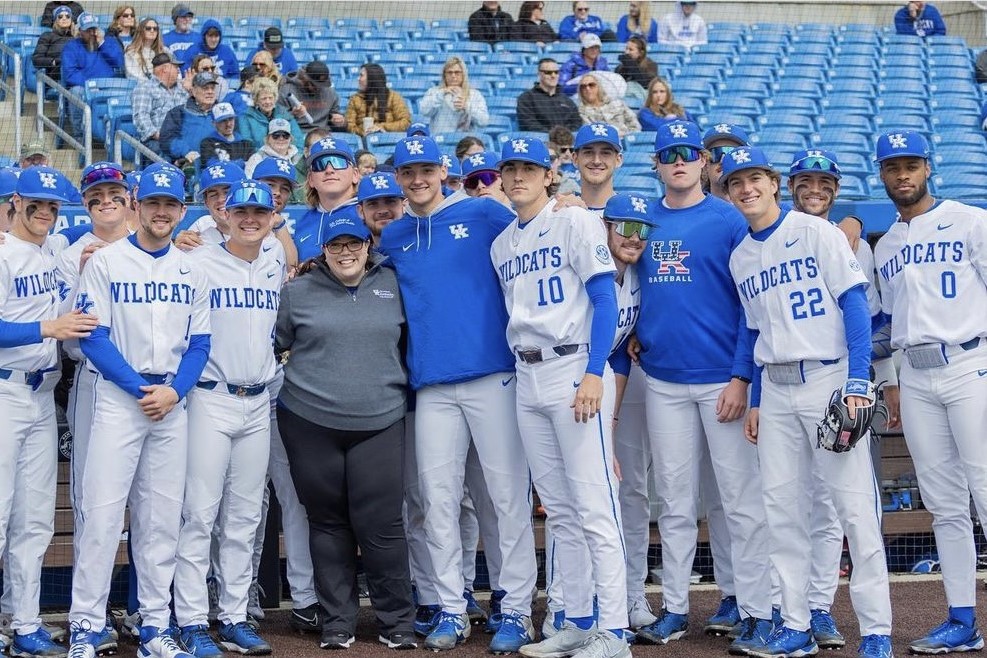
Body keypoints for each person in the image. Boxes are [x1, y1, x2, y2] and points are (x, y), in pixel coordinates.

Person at [722, 145, 893, 658]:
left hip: (826, 378)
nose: (747, 189)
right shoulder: (740, 256)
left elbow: (855, 305)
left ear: (774, 184)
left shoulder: (817, 232)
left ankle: (877, 630)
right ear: (728, 192)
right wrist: (752, 394)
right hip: (775, 387)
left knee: (853, 508)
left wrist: (858, 381)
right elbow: (754, 332)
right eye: (736, 182)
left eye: (755, 179)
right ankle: (794, 625)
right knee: (781, 510)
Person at [378, 136, 538, 654]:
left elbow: (537, 227)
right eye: (409, 172)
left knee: (505, 497)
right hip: (432, 387)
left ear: (443, 170)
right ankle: (451, 606)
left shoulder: (484, 215)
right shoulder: (395, 234)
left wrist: (575, 203)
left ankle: (514, 609)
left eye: (426, 169)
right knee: (437, 500)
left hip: (494, 375)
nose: (418, 179)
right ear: (399, 179)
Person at [628, 121, 773, 654]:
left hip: (721, 380)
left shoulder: (729, 219)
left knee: (739, 501)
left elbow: (750, 308)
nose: (681, 160)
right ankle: (676, 609)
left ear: (708, 162)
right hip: (663, 379)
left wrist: (742, 376)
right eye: (669, 153)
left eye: (690, 152)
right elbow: (628, 282)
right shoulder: (643, 219)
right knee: (674, 502)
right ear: (657, 163)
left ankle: (755, 609)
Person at [488, 135, 628, 658]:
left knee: (596, 505)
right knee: (562, 510)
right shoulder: (502, 243)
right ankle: (577, 617)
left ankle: (614, 632)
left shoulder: (574, 220)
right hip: (527, 375)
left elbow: (604, 296)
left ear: (549, 174)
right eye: (511, 169)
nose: (519, 176)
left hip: (573, 366)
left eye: (529, 167)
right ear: (502, 178)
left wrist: (596, 371)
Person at [66, 162, 211, 658]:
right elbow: (93, 338)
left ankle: (155, 627)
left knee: (161, 520)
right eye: (153, 203)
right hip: (118, 398)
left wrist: (174, 391)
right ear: (136, 206)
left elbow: (200, 344)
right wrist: (139, 389)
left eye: (171, 204)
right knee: (103, 516)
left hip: (171, 401)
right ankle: (85, 624)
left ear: (181, 209)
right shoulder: (106, 261)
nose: (162, 211)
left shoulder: (192, 268)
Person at [275, 212, 414, 651]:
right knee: (328, 523)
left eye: (354, 244)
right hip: (310, 420)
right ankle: (337, 622)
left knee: (383, 524)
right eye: (336, 246)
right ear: (324, 251)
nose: (346, 252)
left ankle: (397, 622)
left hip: (380, 419)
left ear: (368, 246)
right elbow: (275, 343)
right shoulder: (297, 291)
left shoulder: (393, 285)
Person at [872, 130, 986, 655]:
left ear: (928, 167)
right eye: (893, 167)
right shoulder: (886, 244)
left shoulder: (969, 219)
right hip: (915, 378)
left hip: (969, 362)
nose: (903, 175)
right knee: (943, 505)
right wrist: (891, 381)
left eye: (911, 165)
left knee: (985, 492)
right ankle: (962, 620)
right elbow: (890, 321)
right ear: (882, 175)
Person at [786, 148, 900, 652]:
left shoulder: (856, 244)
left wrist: (866, 379)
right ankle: (793, 611)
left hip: (839, 384)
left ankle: (828, 611)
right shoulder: (770, 237)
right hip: (786, 385)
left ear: (836, 189)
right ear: (789, 186)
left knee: (845, 510)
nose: (816, 190)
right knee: (791, 506)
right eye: (806, 181)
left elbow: (873, 323)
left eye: (825, 182)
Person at [173, 179, 280, 658]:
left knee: (244, 516)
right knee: (199, 513)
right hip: (209, 397)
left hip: (259, 401)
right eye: (241, 211)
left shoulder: (275, 260)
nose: (250, 219)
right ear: (224, 214)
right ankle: (192, 620)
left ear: (272, 216)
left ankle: (234, 615)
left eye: (259, 211)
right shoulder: (196, 261)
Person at [0, 166, 92, 658]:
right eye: (35, 203)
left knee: (34, 520)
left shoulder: (53, 254)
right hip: (4, 392)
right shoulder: (2, 253)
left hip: (40, 395)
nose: (44, 212)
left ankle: (26, 622)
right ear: (16, 201)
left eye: (53, 206)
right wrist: (46, 328)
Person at [55, 163, 137, 657]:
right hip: (96, 384)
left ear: (129, 197)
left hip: (161, 389)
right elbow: (70, 339)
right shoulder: (72, 254)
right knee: (94, 504)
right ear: (85, 203)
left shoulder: (162, 238)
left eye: (113, 191)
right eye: (95, 194)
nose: (105, 199)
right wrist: (87, 267)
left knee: (158, 507)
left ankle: (150, 613)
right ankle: (92, 616)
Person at [294, 136, 361, 261]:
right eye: (320, 165)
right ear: (311, 179)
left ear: (355, 175)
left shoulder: (368, 215)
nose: (329, 170)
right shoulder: (303, 223)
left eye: (338, 162)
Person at [60, 13, 125, 141]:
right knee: (75, 92)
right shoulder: (71, 46)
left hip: (108, 87)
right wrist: (91, 85)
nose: (92, 33)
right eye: (88, 30)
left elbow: (119, 63)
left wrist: (102, 43)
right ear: (80, 31)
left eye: (94, 29)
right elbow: (70, 73)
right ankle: (80, 137)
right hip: (85, 88)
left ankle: (117, 138)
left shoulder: (109, 42)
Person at [133, 51, 189, 156]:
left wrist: (191, 90)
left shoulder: (182, 88)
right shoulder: (144, 87)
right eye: (176, 68)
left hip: (182, 138)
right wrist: (160, 135)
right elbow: (140, 117)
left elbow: (191, 112)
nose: (178, 71)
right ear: (165, 69)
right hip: (157, 140)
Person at [159, 70, 220, 166]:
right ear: (194, 91)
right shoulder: (178, 112)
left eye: (212, 88)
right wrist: (186, 151)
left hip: (219, 162)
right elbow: (167, 139)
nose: (210, 92)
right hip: (188, 163)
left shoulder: (223, 113)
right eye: (205, 88)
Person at [418, 57, 489, 135]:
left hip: (465, 142)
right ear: (444, 75)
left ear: (463, 74)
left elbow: (484, 121)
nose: (453, 76)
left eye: (457, 72)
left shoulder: (475, 95)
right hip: (441, 140)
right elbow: (424, 111)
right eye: (449, 72)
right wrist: (441, 94)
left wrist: (467, 107)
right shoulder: (434, 91)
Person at [517, 58, 583, 133]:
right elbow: (527, 124)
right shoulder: (526, 98)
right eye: (548, 72)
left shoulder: (567, 101)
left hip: (566, 141)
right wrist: (552, 136)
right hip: (540, 141)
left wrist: (565, 136)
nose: (553, 75)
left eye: (556, 72)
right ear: (539, 74)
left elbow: (577, 123)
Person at [346, 64, 412, 137]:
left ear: (372, 78)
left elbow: (405, 123)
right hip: (363, 140)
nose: (358, 79)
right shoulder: (355, 99)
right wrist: (364, 132)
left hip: (388, 138)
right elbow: (349, 125)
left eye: (361, 75)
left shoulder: (394, 97)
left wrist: (381, 127)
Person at [278, 61, 345, 133]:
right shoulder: (286, 91)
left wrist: (338, 121)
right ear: (305, 79)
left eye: (321, 86)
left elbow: (334, 116)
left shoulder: (330, 92)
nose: (318, 88)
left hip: (322, 134)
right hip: (296, 133)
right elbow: (278, 120)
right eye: (314, 85)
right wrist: (293, 114)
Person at [240, 78, 304, 152]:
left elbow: (299, 142)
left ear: (275, 98)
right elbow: (247, 146)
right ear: (256, 100)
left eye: (270, 98)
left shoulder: (285, 114)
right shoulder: (246, 117)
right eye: (264, 98)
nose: (268, 101)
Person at [200, 102, 256, 168]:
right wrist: (241, 163)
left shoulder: (246, 144)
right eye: (223, 121)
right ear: (214, 124)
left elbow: (252, 166)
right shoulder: (207, 143)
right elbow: (212, 166)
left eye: (231, 119)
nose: (228, 124)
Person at [701, 123, 748, 200]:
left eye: (731, 153)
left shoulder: (762, 208)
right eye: (715, 153)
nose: (722, 160)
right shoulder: (691, 208)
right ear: (705, 164)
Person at [32, 5, 76, 84]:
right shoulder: (47, 36)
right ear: (55, 20)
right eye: (60, 16)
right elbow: (36, 60)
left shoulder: (76, 39)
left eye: (67, 16)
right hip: (55, 76)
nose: (64, 18)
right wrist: (54, 61)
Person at [124, 17, 172, 81]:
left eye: (155, 29)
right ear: (141, 31)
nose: (152, 31)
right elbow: (133, 76)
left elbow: (176, 71)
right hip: (142, 88)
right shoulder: (131, 53)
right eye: (148, 28)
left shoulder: (165, 51)